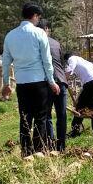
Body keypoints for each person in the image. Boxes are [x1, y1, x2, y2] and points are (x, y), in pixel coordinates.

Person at [1, 2, 59, 156]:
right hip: (39, 81)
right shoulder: (39, 33)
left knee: (25, 118)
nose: (38, 20)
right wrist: (52, 81)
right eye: (38, 17)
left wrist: (6, 83)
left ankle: (26, 151)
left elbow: (6, 62)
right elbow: (47, 60)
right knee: (40, 117)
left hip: (22, 83)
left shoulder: (10, 35)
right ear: (34, 16)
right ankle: (39, 150)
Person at [65, 52, 93, 138]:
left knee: (80, 107)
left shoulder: (72, 59)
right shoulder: (86, 62)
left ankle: (75, 130)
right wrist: (78, 98)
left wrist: (63, 79)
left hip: (92, 83)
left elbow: (69, 71)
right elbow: (85, 85)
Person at [40, 20, 68, 151]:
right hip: (61, 81)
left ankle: (50, 143)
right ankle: (61, 145)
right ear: (47, 29)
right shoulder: (56, 43)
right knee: (61, 114)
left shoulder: (38, 42)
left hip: (47, 82)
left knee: (47, 115)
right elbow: (61, 63)